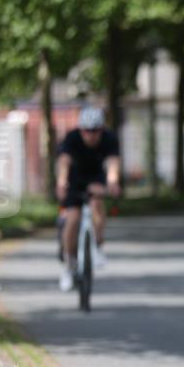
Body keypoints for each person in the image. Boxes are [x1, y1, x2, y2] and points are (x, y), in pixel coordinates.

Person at [56, 106, 121, 291]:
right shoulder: (72, 138)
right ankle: (69, 264)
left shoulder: (109, 138)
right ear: (81, 129)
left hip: (95, 179)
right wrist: (61, 182)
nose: (90, 135)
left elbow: (113, 163)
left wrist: (113, 182)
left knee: (97, 204)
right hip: (74, 180)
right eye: (86, 131)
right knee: (73, 218)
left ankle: (98, 245)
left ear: (101, 130)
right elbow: (64, 162)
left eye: (95, 131)